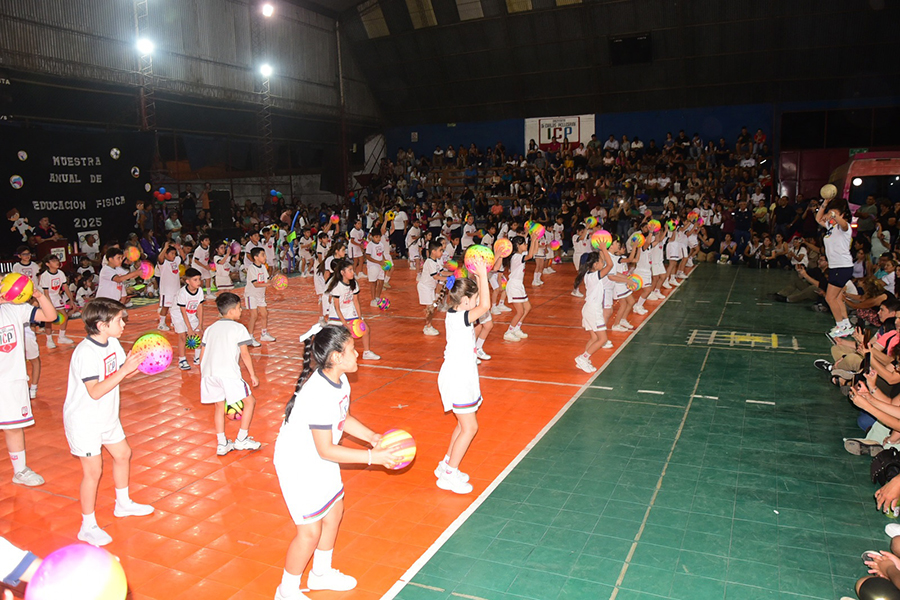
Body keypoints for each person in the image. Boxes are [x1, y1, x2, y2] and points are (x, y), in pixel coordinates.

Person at [272, 325, 401, 600]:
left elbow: (343, 417)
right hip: (299, 464)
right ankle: (286, 591)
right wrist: (372, 458)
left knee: (334, 512)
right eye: (353, 349)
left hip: (317, 457)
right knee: (309, 532)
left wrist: (371, 437)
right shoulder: (318, 393)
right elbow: (326, 450)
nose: (358, 353)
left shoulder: (339, 380)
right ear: (336, 357)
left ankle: (320, 574)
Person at [63, 298, 154, 546]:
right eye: (118, 320)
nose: (123, 324)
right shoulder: (86, 353)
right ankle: (88, 525)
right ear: (102, 325)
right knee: (93, 472)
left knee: (123, 454)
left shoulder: (112, 342)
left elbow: (119, 374)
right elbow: (95, 390)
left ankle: (123, 504)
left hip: (107, 415)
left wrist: (144, 362)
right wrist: (125, 370)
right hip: (85, 420)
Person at [434, 257, 491, 494]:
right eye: (474, 298)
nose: (477, 302)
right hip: (457, 377)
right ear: (466, 301)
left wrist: (477, 277)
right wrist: (484, 277)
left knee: (462, 424)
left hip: (461, 374)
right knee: (470, 428)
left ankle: (447, 464)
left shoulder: (457, 311)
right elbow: (485, 306)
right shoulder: (460, 317)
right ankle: (449, 474)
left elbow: (480, 303)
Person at [1, 284, 55, 487]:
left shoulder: (14, 309)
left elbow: (49, 316)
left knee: (14, 427)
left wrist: (39, 295)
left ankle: (20, 470)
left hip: (11, 380)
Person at [200, 292, 261, 455]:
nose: (241, 311)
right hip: (228, 373)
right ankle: (241, 439)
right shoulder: (239, 328)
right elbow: (245, 354)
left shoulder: (210, 328)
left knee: (219, 406)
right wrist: (253, 374)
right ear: (232, 310)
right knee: (250, 402)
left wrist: (204, 372)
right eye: (240, 308)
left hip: (209, 373)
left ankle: (222, 444)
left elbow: (202, 353)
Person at [325, 259, 380, 361]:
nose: (352, 272)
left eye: (352, 270)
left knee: (365, 329)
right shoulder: (337, 286)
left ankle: (367, 352)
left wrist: (360, 317)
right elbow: (337, 307)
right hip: (337, 313)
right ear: (342, 273)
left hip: (350, 310)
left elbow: (356, 301)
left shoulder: (354, 283)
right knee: (339, 337)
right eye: (349, 270)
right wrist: (344, 322)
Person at [816, 197, 855, 338]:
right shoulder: (831, 228)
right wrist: (825, 204)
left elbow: (843, 224)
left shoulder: (845, 228)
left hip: (843, 267)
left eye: (833, 213)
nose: (829, 215)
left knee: (830, 298)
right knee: (837, 298)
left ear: (841, 214)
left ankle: (841, 326)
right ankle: (846, 325)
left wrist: (834, 215)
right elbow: (818, 219)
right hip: (835, 267)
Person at [574, 250, 614, 373]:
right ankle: (583, 358)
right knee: (602, 339)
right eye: (601, 261)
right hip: (593, 310)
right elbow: (610, 265)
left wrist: (601, 251)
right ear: (595, 264)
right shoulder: (594, 276)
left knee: (594, 338)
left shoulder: (589, 274)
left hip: (589, 309)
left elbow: (605, 264)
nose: (603, 262)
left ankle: (584, 360)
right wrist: (604, 249)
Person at [502, 234, 538, 342]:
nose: (526, 245)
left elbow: (534, 252)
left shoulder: (520, 254)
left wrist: (535, 240)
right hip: (514, 285)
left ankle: (517, 328)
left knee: (527, 308)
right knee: (520, 311)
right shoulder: (516, 257)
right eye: (525, 244)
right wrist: (533, 240)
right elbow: (530, 255)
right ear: (518, 245)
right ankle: (509, 331)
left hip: (519, 285)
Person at [38, 255, 76, 348]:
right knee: (49, 318)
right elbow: (46, 293)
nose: (57, 262)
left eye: (57, 260)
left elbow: (65, 287)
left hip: (56, 296)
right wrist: (50, 307)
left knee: (65, 316)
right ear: (47, 264)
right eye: (54, 261)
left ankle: (62, 337)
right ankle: (49, 339)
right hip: (46, 297)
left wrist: (71, 300)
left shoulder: (61, 273)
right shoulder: (45, 276)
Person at [171, 268, 205, 371]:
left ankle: (197, 357)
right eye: (195, 280)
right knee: (182, 336)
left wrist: (200, 324)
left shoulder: (199, 291)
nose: (198, 282)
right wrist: (189, 328)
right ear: (187, 281)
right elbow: (183, 311)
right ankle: (182, 359)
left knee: (199, 334)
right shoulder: (182, 293)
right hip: (179, 314)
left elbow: (200, 307)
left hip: (191, 313)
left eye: (199, 279)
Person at [244, 248, 276, 346]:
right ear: (256, 257)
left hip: (260, 295)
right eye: (263, 255)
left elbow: (267, 281)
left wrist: (276, 281)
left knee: (264, 314)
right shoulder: (251, 269)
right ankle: (250, 337)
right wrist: (269, 285)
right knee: (254, 315)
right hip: (251, 295)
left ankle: (264, 333)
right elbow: (256, 284)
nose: (265, 257)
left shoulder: (263, 267)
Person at [419, 241, 445, 336]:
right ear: (433, 251)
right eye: (440, 250)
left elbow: (442, 272)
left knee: (433, 307)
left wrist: (455, 274)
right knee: (430, 307)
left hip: (430, 287)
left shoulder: (436, 261)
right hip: (425, 287)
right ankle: (428, 327)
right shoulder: (429, 262)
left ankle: (428, 325)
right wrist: (448, 278)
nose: (442, 252)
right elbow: (436, 277)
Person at [364, 228, 387, 306]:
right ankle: (373, 299)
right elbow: (367, 256)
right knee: (373, 282)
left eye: (379, 237)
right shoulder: (370, 245)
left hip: (380, 265)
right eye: (376, 237)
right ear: (372, 237)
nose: (378, 239)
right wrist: (378, 262)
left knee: (381, 281)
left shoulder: (381, 244)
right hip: (373, 266)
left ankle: (377, 297)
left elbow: (382, 254)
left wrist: (384, 261)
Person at [191, 234, 215, 300]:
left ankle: (208, 293)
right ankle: (200, 294)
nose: (208, 241)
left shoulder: (209, 247)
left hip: (204, 265)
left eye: (208, 240)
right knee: (200, 280)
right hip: (197, 266)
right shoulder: (198, 250)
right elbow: (196, 260)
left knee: (208, 278)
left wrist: (209, 264)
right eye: (206, 240)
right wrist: (205, 266)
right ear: (202, 242)